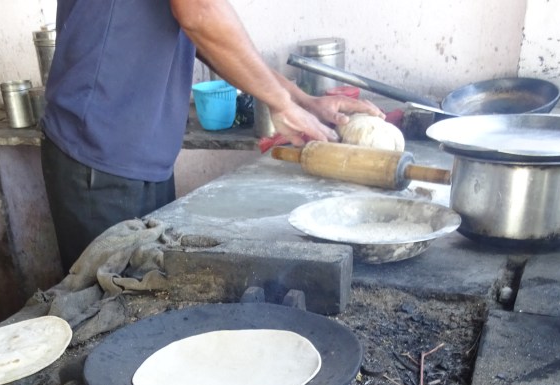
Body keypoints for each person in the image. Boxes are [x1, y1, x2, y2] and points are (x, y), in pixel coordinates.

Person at [40, 0, 383, 273]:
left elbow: (204, 30)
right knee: (109, 310)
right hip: (98, 152)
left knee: (146, 292)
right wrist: (282, 103)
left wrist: (300, 100)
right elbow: (199, 12)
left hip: (139, 150)